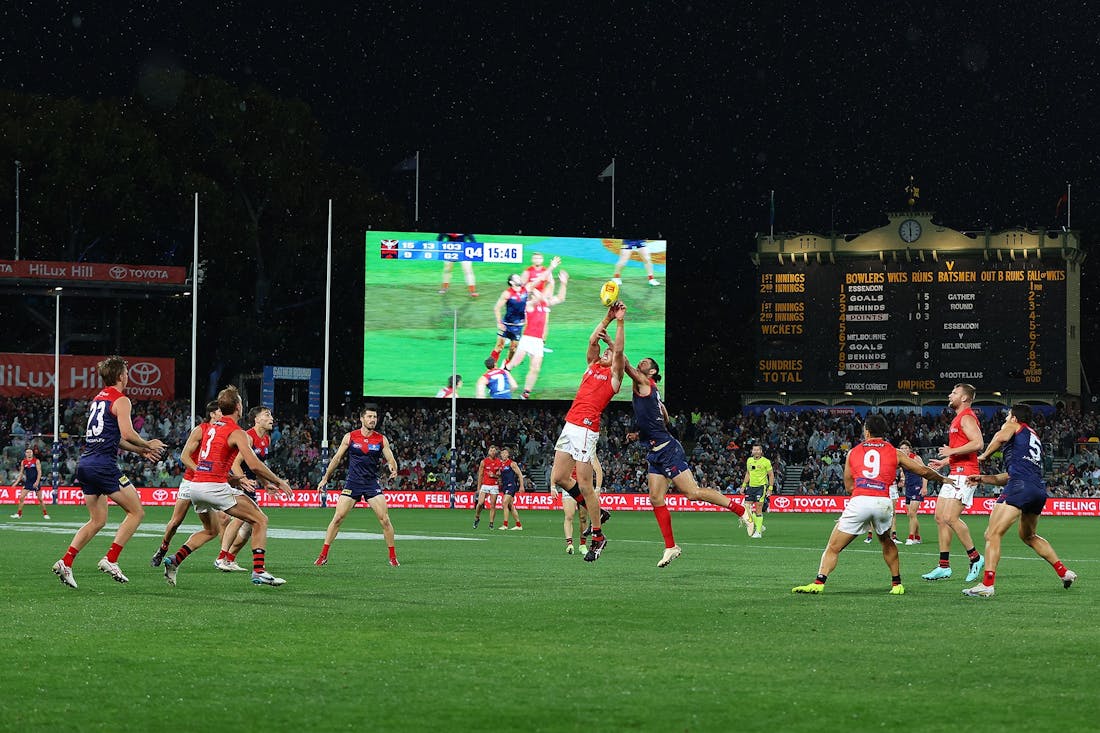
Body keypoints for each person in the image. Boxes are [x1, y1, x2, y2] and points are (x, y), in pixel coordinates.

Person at [793, 414, 944, 595]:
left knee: (833, 547)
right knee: (886, 540)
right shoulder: (895, 452)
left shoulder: (853, 452)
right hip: (883, 502)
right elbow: (922, 471)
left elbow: (849, 486)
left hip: (861, 500)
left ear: (866, 431)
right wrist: (946, 479)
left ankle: (819, 582)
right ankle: (897, 585)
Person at [51, 357, 165, 589]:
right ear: (121, 376)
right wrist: (147, 443)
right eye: (126, 372)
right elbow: (128, 432)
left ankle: (66, 561)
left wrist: (140, 451)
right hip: (103, 465)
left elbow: (116, 438)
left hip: (87, 464)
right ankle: (110, 559)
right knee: (136, 512)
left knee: (97, 520)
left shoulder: (98, 399)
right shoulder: (121, 400)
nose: (127, 376)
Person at [624, 356, 748, 567]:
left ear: (652, 372)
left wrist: (612, 338)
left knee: (692, 493)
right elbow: (662, 418)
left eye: (645, 361)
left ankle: (740, 509)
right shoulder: (649, 391)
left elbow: (625, 365)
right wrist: (640, 435)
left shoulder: (645, 383)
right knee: (655, 498)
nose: (641, 362)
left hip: (668, 451)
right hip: (655, 452)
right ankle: (671, 547)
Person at [163, 385, 292, 587]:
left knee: (210, 531)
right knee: (260, 520)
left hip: (195, 486)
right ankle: (259, 571)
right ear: (238, 407)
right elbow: (254, 464)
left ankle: (174, 560)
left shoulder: (210, 427)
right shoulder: (237, 432)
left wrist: (235, 478)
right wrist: (279, 481)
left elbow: (210, 460)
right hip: (213, 487)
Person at [962, 404, 1077, 597]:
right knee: (1029, 536)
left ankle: (987, 584)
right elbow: (1010, 475)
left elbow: (1000, 437)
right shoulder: (1033, 438)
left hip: (1020, 487)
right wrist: (983, 478)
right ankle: (1064, 573)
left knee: (992, 534)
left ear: (1014, 418)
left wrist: (982, 456)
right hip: (1037, 489)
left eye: (1007, 416)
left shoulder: (1015, 426)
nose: (1005, 420)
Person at [549, 301, 626, 562]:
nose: (604, 352)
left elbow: (620, 356)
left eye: (608, 352)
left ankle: (598, 535)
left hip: (586, 428)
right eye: (603, 351)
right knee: (559, 477)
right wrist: (606, 319)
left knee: (584, 483)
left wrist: (620, 324)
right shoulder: (592, 366)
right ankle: (597, 511)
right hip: (571, 425)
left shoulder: (614, 378)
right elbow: (593, 340)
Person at [314, 403, 400, 567]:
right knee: (338, 518)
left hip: (371, 484)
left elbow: (390, 458)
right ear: (362, 418)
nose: (372, 419)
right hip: (352, 483)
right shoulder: (350, 437)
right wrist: (325, 478)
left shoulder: (381, 439)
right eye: (369, 416)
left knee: (385, 520)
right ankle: (323, 555)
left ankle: (393, 557)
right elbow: (337, 458)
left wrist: (393, 467)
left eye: (374, 417)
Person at [922, 383, 986, 582]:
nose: (950, 395)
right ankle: (944, 566)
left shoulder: (966, 417)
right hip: (954, 471)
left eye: (954, 392)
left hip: (966, 474)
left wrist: (951, 452)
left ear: (965, 398)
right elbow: (962, 448)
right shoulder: (958, 418)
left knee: (950, 517)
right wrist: (945, 461)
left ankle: (975, 558)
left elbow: (978, 443)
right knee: (940, 517)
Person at [150, 400, 224, 567]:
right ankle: (162, 549)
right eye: (220, 411)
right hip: (191, 481)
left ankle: (224, 557)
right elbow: (184, 457)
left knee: (215, 526)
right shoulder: (200, 430)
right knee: (176, 522)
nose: (223, 414)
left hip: (207, 483)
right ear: (212, 414)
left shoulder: (221, 431)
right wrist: (201, 471)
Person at [215, 405, 276, 572]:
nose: (271, 418)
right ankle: (221, 557)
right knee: (241, 519)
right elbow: (235, 463)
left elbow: (258, 465)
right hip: (237, 482)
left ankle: (229, 558)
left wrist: (265, 483)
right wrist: (242, 481)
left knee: (249, 526)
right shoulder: (248, 437)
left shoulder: (266, 439)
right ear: (256, 419)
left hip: (250, 484)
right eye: (267, 415)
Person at [505, 269, 569, 399]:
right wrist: (549, 283)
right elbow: (538, 295)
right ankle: (502, 375)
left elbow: (561, 298)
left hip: (538, 341)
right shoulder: (529, 305)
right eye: (537, 291)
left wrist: (563, 283)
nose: (540, 292)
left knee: (536, 368)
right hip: (527, 339)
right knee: (514, 363)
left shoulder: (544, 303)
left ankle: (526, 393)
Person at [554, 455, 603, 554]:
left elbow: (598, 470)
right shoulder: (568, 451)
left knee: (583, 518)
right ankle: (569, 544)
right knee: (569, 515)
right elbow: (556, 467)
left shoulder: (589, 451)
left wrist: (598, 488)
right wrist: (552, 486)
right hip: (569, 488)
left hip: (584, 488)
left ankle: (582, 544)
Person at [489, 274, 532, 366]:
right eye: (516, 278)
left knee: (513, 349)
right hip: (506, 324)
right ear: (511, 282)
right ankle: (492, 367)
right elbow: (496, 308)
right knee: (499, 346)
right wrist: (499, 323)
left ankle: (507, 367)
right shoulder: (507, 293)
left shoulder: (526, 290)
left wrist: (551, 267)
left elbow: (540, 279)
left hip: (518, 326)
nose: (519, 278)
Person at [740, 445, 774, 538]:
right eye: (754, 450)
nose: (756, 451)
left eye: (758, 450)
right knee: (746, 509)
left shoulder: (766, 461)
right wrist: (743, 486)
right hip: (750, 487)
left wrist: (770, 488)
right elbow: (748, 473)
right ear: (752, 451)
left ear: (761, 451)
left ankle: (758, 532)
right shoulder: (749, 460)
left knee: (758, 509)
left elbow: (771, 475)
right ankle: (759, 524)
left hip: (761, 487)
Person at [899, 440, 929, 545]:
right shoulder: (901, 460)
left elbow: (925, 472)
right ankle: (918, 537)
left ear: (909, 449)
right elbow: (903, 472)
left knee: (912, 513)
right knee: (911, 514)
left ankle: (911, 537)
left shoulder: (915, 458)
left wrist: (924, 487)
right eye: (901, 448)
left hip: (917, 487)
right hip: (908, 488)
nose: (903, 450)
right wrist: (902, 480)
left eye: (905, 448)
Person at [10, 448, 48, 519]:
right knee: (21, 497)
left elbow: (39, 472)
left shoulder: (36, 461)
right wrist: (16, 482)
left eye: (30, 452)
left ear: (32, 453)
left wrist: (37, 481)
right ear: (25, 454)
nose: (29, 453)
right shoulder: (23, 462)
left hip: (35, 482)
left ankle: (45, 513)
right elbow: (21, 473)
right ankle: (19, 514)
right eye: (27, 452)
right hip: (28, 482)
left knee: (40, 499)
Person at [437, 232, 479, 297]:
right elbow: (439, 240)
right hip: (449, 251)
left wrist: (471, 250)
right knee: (447, 270)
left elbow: (473, 240)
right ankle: (444, 288)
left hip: (463, 251)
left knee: (468, 271)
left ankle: (472, 291)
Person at [472, 445, 503, 529]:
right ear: (488, 452)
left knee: (493, 505)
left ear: (496, 452)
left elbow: (500, 476)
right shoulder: (484, 462)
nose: (492, 452)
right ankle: (477, 517)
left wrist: (495, 476)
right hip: (485, 485)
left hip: (494, 485)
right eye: (491, 450)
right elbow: (480, 475)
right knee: (480, 503)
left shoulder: (499, 462)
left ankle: (491, 523)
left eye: (494, 450)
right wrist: (478, 487)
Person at [496, 447, 525, 530]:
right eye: (502, 453)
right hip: (505, 486)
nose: (504, 454)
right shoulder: (501, 464)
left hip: (511, 485)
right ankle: (518, 525)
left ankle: (505, 525)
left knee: (504, 503)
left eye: (505, 453)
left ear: (508, 454)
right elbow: (500, 475)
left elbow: (519, 474)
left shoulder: (512, 463)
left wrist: (521, 486)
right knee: (511, 506)